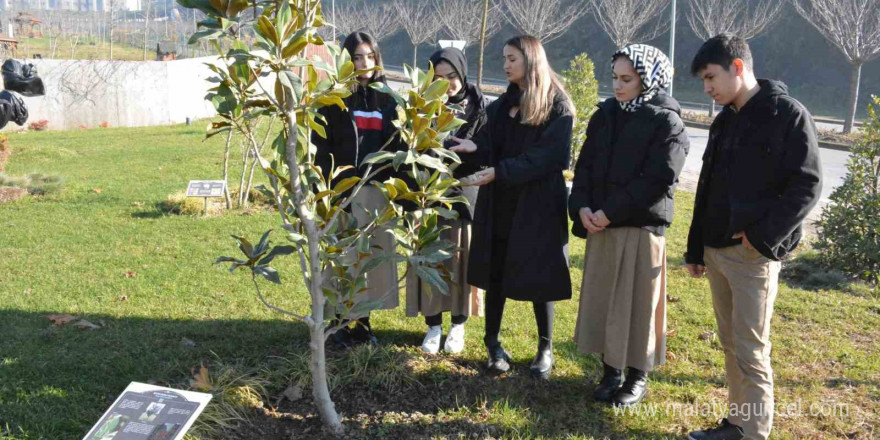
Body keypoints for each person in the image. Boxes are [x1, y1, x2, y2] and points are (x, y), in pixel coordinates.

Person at [685, 33, 822, 440]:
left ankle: (754, 432)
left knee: (751, 350)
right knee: (730, 345)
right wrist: (696, 248)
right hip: (716, 251)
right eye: (703, 81)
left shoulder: (787, 115)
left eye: (711, 78)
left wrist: (762, 238)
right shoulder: (725, 119)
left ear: (738, 67)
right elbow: (706, 188)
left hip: (752, 257)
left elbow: (807, 186)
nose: (707, 88)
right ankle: (737, 423)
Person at [569, 43, 688, 407]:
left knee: (638, 305)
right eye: (615, 78)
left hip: (640, 228)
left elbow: (658, 177)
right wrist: (583, 206)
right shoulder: (606, 115)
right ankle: (610, 372)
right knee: (606, 300)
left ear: (648, 80)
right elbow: (585, 165)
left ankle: (637, 375)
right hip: (602, 224)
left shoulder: (667, 120)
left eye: (627, 79)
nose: (618, 87)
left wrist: (611, 211)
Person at [450, 35, 574, 379]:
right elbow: (491, 144)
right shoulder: (501, 106)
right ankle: (493, 344)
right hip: (501, 199)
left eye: (511, 59)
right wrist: (473, 147)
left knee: (541, 272)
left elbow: (549, 158)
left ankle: (545, 349)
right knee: (496, 270)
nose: (505, 65)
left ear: (531, 60)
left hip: (538, 205)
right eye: (504, 58)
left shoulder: (558, 106)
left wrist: (499, 171)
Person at [313, 31, 400, 348]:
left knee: (369, 262)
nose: (364, 63)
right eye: (356, 57)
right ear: (345, 62)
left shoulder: (388, 99)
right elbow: (321, 148)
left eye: (369, 56)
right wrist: (324, 191)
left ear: (377, 58)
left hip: (375, 192)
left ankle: (362, 323)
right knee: (342, 258)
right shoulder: (334, 99)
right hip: (341, 190)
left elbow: (398, 147)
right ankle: (337, 324)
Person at [405, 47, 488, 354]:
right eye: (438, 77)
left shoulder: (479, 106)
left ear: (462, 74)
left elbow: (486, 150)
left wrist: (471, 152)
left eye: (451, 76)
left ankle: (458, 324)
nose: (446, 83)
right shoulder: (422, 105)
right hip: (428, 193)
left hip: (462, 194)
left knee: (459, 260)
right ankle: (433, 325)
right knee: (429, 258)